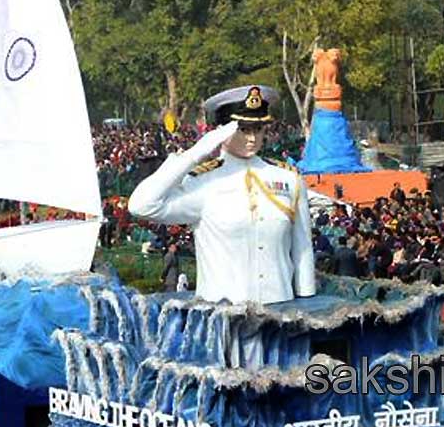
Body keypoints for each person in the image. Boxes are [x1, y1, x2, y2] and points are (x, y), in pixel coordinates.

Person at [128, 85, 315, 305]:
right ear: (221, 131)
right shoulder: (203, 183)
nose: (252, 138)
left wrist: (307, 300)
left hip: (282, 313)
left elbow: (302, 248)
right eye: (243, 129)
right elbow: (141, 205)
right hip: (223, 314)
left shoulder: (289, 179)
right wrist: (195, 153)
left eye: (258, 129)